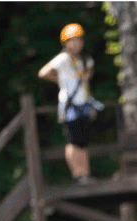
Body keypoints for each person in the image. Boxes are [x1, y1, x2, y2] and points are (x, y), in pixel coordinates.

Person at [38, 23, 100, 184]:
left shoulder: (85, 59)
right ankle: (77, 175)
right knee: (72, 140)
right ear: (65, 42)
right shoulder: (63, 58)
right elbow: (43, 72)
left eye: (78, 39)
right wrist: (60, 80)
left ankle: (85, 174)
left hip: (84, 103)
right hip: (70, 104)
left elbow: (87, 80)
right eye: (72, 40)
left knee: (83, 140)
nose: (76, 43)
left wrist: (91, 102)